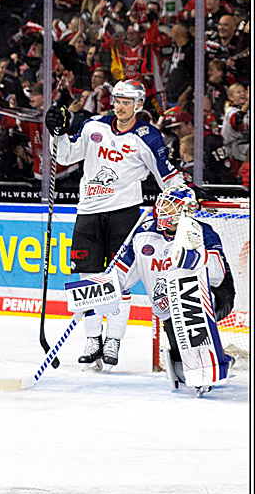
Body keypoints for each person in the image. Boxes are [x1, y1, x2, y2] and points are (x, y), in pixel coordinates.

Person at [46, 78, 185, 368]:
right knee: (87, 278)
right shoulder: (94, 125)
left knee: (118, 281)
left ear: (139, 105)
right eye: (118, 100)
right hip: (88, 212)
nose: (121, 106)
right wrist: (56, 132)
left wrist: (186, 193)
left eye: (127, 102)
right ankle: (92, 338)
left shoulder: (147, 137)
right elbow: (66, 155)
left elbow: (167, 177)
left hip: (125, 214)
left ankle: (114, 339)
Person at [111, 187, 234, 394]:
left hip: (215, 295)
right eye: (162, 202)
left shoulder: (202, 231)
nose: (162, 208)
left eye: (170, 204)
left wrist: (192, 259)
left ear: (184, 210)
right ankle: (220, 359)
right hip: (170, 307)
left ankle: (209, 359)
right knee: (182, 365)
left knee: (188, 301)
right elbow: (122, 275)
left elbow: (218, 274)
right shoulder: (144, 233)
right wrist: (99, 292)